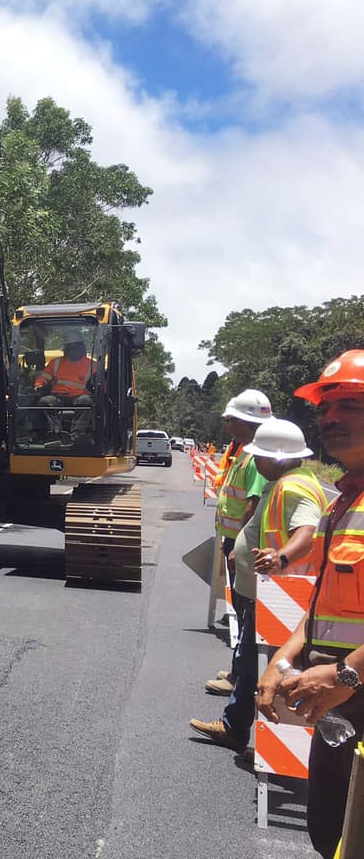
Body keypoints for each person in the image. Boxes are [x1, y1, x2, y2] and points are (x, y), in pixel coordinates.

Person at [257, 351, 364, 858]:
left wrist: (345, 674)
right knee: (330, 833)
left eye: (352, 405)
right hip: (339, 704)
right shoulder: (343, 502)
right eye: (326, 409)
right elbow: (323, 603)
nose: (331, 419)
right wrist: (285, 658)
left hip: (347, 689)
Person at [189, 417, 330, 752]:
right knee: (251, 657)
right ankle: (236, 724)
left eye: (260, 456)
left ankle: (235, 727)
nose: (256, 461)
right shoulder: (289, 479)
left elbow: (307, 530)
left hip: (280, 591)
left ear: (277, 458)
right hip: (270, 588)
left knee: (256, 661)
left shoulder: (293, 486)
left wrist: (281, 557)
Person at [201, 389, 272, 697]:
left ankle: (240, 678)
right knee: (241, 611)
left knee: (245, 614)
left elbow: (252, 505)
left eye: (232, 420)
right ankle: (236, 672)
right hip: (233, 539)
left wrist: (239, 546)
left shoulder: (256, 457)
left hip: (241, 541)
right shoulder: (243, 451)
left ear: (248, 422)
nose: (228, 425)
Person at [34, 329, 96, 439]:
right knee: (45, 402)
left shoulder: (92, 365)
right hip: (58, 397)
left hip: (79, 397)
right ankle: (56, 433)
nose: (72, 351)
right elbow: (44, 377)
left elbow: (100, 383)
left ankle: (76, 436)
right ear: (65, 349)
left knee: (86, 401)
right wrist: (39, 385)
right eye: (70, 348)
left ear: (81, 348)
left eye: (75, 347)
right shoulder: (56, 362)